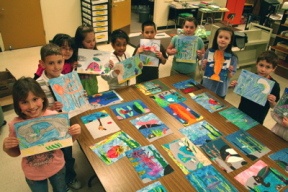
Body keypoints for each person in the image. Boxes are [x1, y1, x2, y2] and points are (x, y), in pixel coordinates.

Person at [2, 77, 81, 192]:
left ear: (43, 98)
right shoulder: (15, 124)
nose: (32, 106)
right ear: (17, 105)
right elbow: (16, 152)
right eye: (24, 102)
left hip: (57, 167)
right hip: (33, 173)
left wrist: (74, 134)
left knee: (61, 189)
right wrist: (7, 148)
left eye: (35, 99)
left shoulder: (53, 116)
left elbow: (65, 143)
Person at [36, 43, 82, 191]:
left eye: (59, 62)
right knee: (53, 157)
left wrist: (80, 97)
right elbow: (35, 111)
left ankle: (70, 177)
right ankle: (59, 182)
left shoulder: (66, 79)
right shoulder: (37, 85)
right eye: (51, 63)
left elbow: (74, 101)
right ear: (42, 64)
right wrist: (49, 108)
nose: (56, 67)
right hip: (50, 128)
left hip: (65, 125)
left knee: (68, 154)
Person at [235, 51, 280, 124]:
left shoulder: (275, 85)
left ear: (274, 68)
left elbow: (273, 106)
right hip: (241, 111)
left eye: (268, 67)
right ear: (256, 64)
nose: (263, 69)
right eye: (261, 65)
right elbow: (242, 94)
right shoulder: (249, 78)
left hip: (257, 118)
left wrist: (272, 101)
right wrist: (238, 87)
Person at [201, 27, 238, 98]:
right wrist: (204, 65)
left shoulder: (233, 57)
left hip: (220, 89)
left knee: (217, 106)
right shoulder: (209, 51)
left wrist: (229, 72)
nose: (223, 40)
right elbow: (203, 69)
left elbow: (230, 76)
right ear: (216, 38)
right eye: (220, 37)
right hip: (207, 85)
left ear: (230, 41)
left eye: (226, 38)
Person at [74, 24, 98, 96]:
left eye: (94, 40)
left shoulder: (96, 53)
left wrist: (106, 66)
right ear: (80, 42)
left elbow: (98, 72)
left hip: (92, 85)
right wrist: (74, 67)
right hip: (79, 87)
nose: (92, 44)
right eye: (88, 42)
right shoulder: (74, 55)